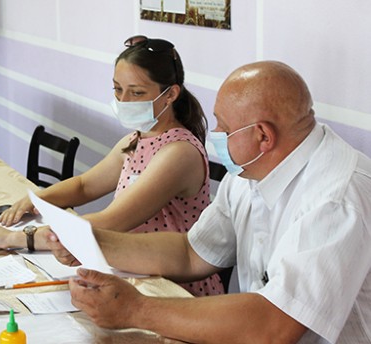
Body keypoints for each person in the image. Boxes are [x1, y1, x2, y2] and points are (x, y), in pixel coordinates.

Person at [49, 61, 371, 343]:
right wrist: (92, 242)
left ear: (263, 136)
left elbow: (275, 326)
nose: (214, 133)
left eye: (224, 127)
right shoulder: (250, 172)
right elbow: (191, 253)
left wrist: (135, 309)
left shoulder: (336, 199)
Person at [0, 36, 224, 296]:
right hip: (132, 270)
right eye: (117, 89)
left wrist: (17, 238)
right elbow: (84, 185)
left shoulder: (178, 153)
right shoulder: (136, 140)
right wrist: (34, 200)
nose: (124, 100)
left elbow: (111, 222)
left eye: (137, 93)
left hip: (171, 288)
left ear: (171, 95)